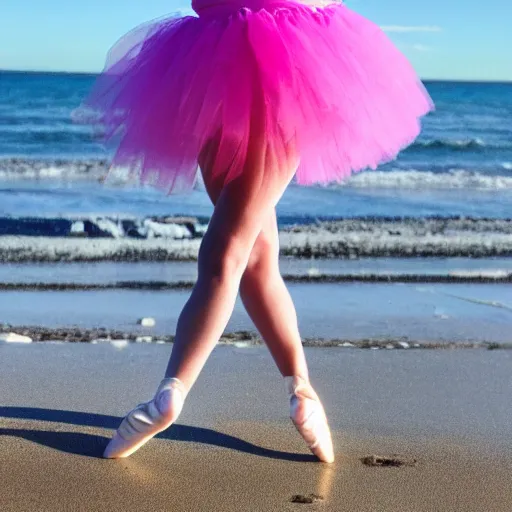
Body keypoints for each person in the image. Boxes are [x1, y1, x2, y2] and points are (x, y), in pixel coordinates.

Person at [78, 0, 433, 463]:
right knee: (239, 255)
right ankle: (174, 393)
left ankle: (298, 391)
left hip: (207, 60)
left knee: (252, 256)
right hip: (276, 54)